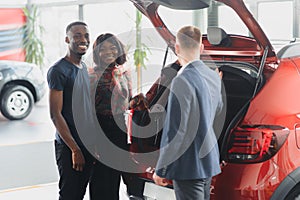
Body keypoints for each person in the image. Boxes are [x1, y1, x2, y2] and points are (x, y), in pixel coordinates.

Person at [152, 25, 223, 200]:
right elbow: (218, 108)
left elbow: (177, 130)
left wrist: (161, 169)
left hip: (188, 165)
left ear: (176, 48)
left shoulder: (181, 80)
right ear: (201, 48)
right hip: (208, 160)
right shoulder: (213, 76)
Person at [89, 33, 144, 200]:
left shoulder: (124, 73)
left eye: (112, 47)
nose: (108, 52)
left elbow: (127, 103)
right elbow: (87, 110)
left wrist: (139, 100)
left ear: (118, 50)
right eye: (103, 49)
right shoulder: (91, 76)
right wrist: (92, 143)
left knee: (118, 179)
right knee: (101, 180)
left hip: (120, 128)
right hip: (100, 128)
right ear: (97, 53)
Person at [47, 21, 94, 200]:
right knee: (70, 195)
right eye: (77, 36)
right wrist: (75, 149)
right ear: (67, 39)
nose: (83, 40)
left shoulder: (83, 68)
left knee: (80, 193)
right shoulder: (58, 70)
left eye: (86, 36)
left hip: (86, 144)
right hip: (70, 146)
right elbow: (55, 114)